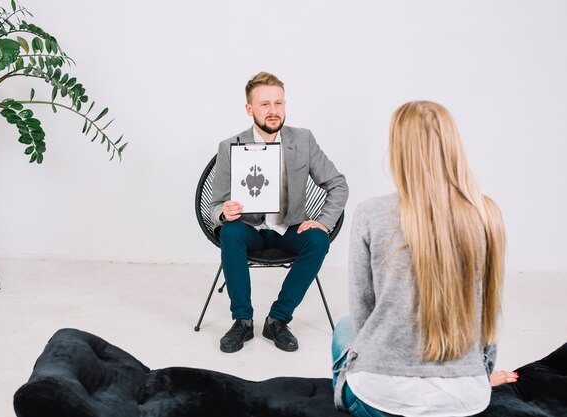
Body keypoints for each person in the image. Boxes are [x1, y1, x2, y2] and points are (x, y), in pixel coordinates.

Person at [332, 101, 515, 417]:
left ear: (399, 150)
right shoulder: (487, 215)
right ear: (452, 146)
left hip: (379, 399)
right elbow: (487, 318)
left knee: (345, 327)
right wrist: (478, 376)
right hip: (465, 401)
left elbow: (363, 315)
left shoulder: (371, 213)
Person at [210, 71, 348, 353]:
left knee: (319, 240)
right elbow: (215, 205)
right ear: (249, 109)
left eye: (279, 103)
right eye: (264, 104)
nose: (273, 111)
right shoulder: (229, 147)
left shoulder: (304, 140)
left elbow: (337, 183)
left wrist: (324, 221)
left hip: (291, 229)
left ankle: (278, 320)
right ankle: (242, 321)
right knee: (231, 231)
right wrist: (224, 213)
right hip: (250, 231)